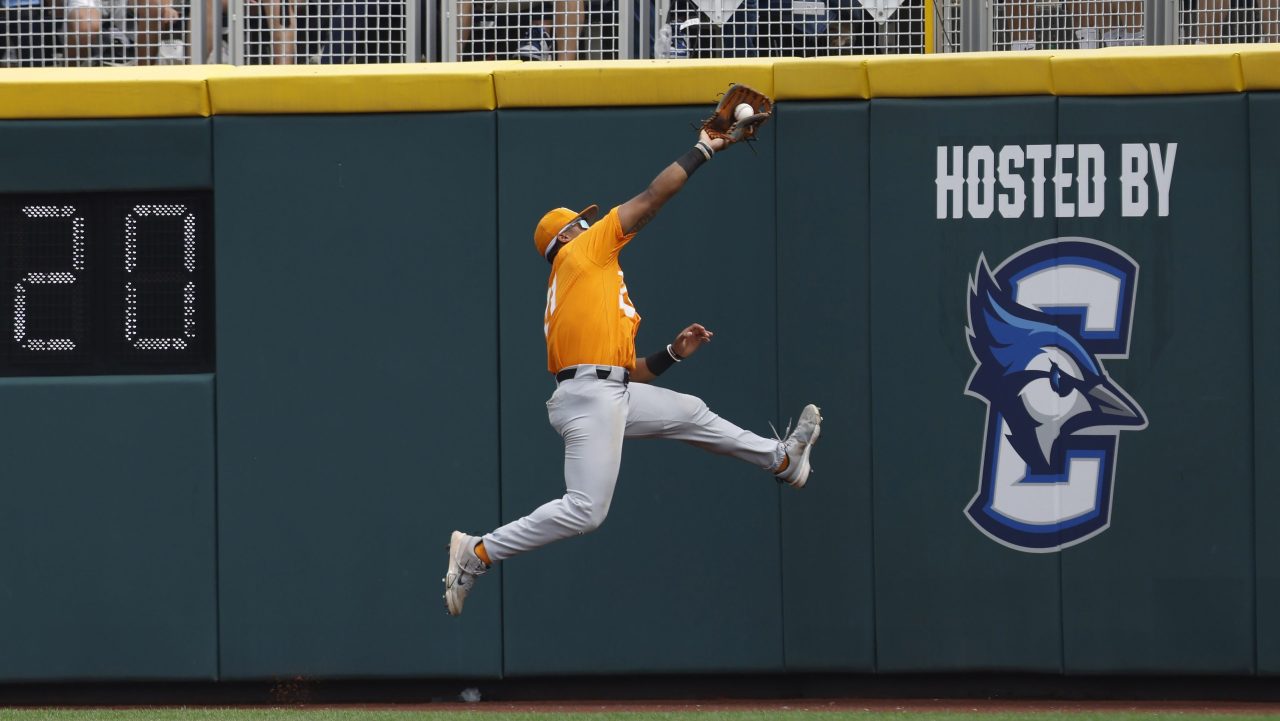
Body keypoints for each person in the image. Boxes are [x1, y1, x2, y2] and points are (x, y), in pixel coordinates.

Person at [442, 115, 824, 617]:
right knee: (586, 510)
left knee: (692, 412)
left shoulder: (583, 283)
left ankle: (782, 459)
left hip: (605, 390)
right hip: (591, 398)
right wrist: (703, 150)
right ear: (569, 235)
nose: (591, 221)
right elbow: (652, 197)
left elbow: (628, 371)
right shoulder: (583, 252)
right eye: (582, 220)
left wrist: (671, 354)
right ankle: (478, 552)